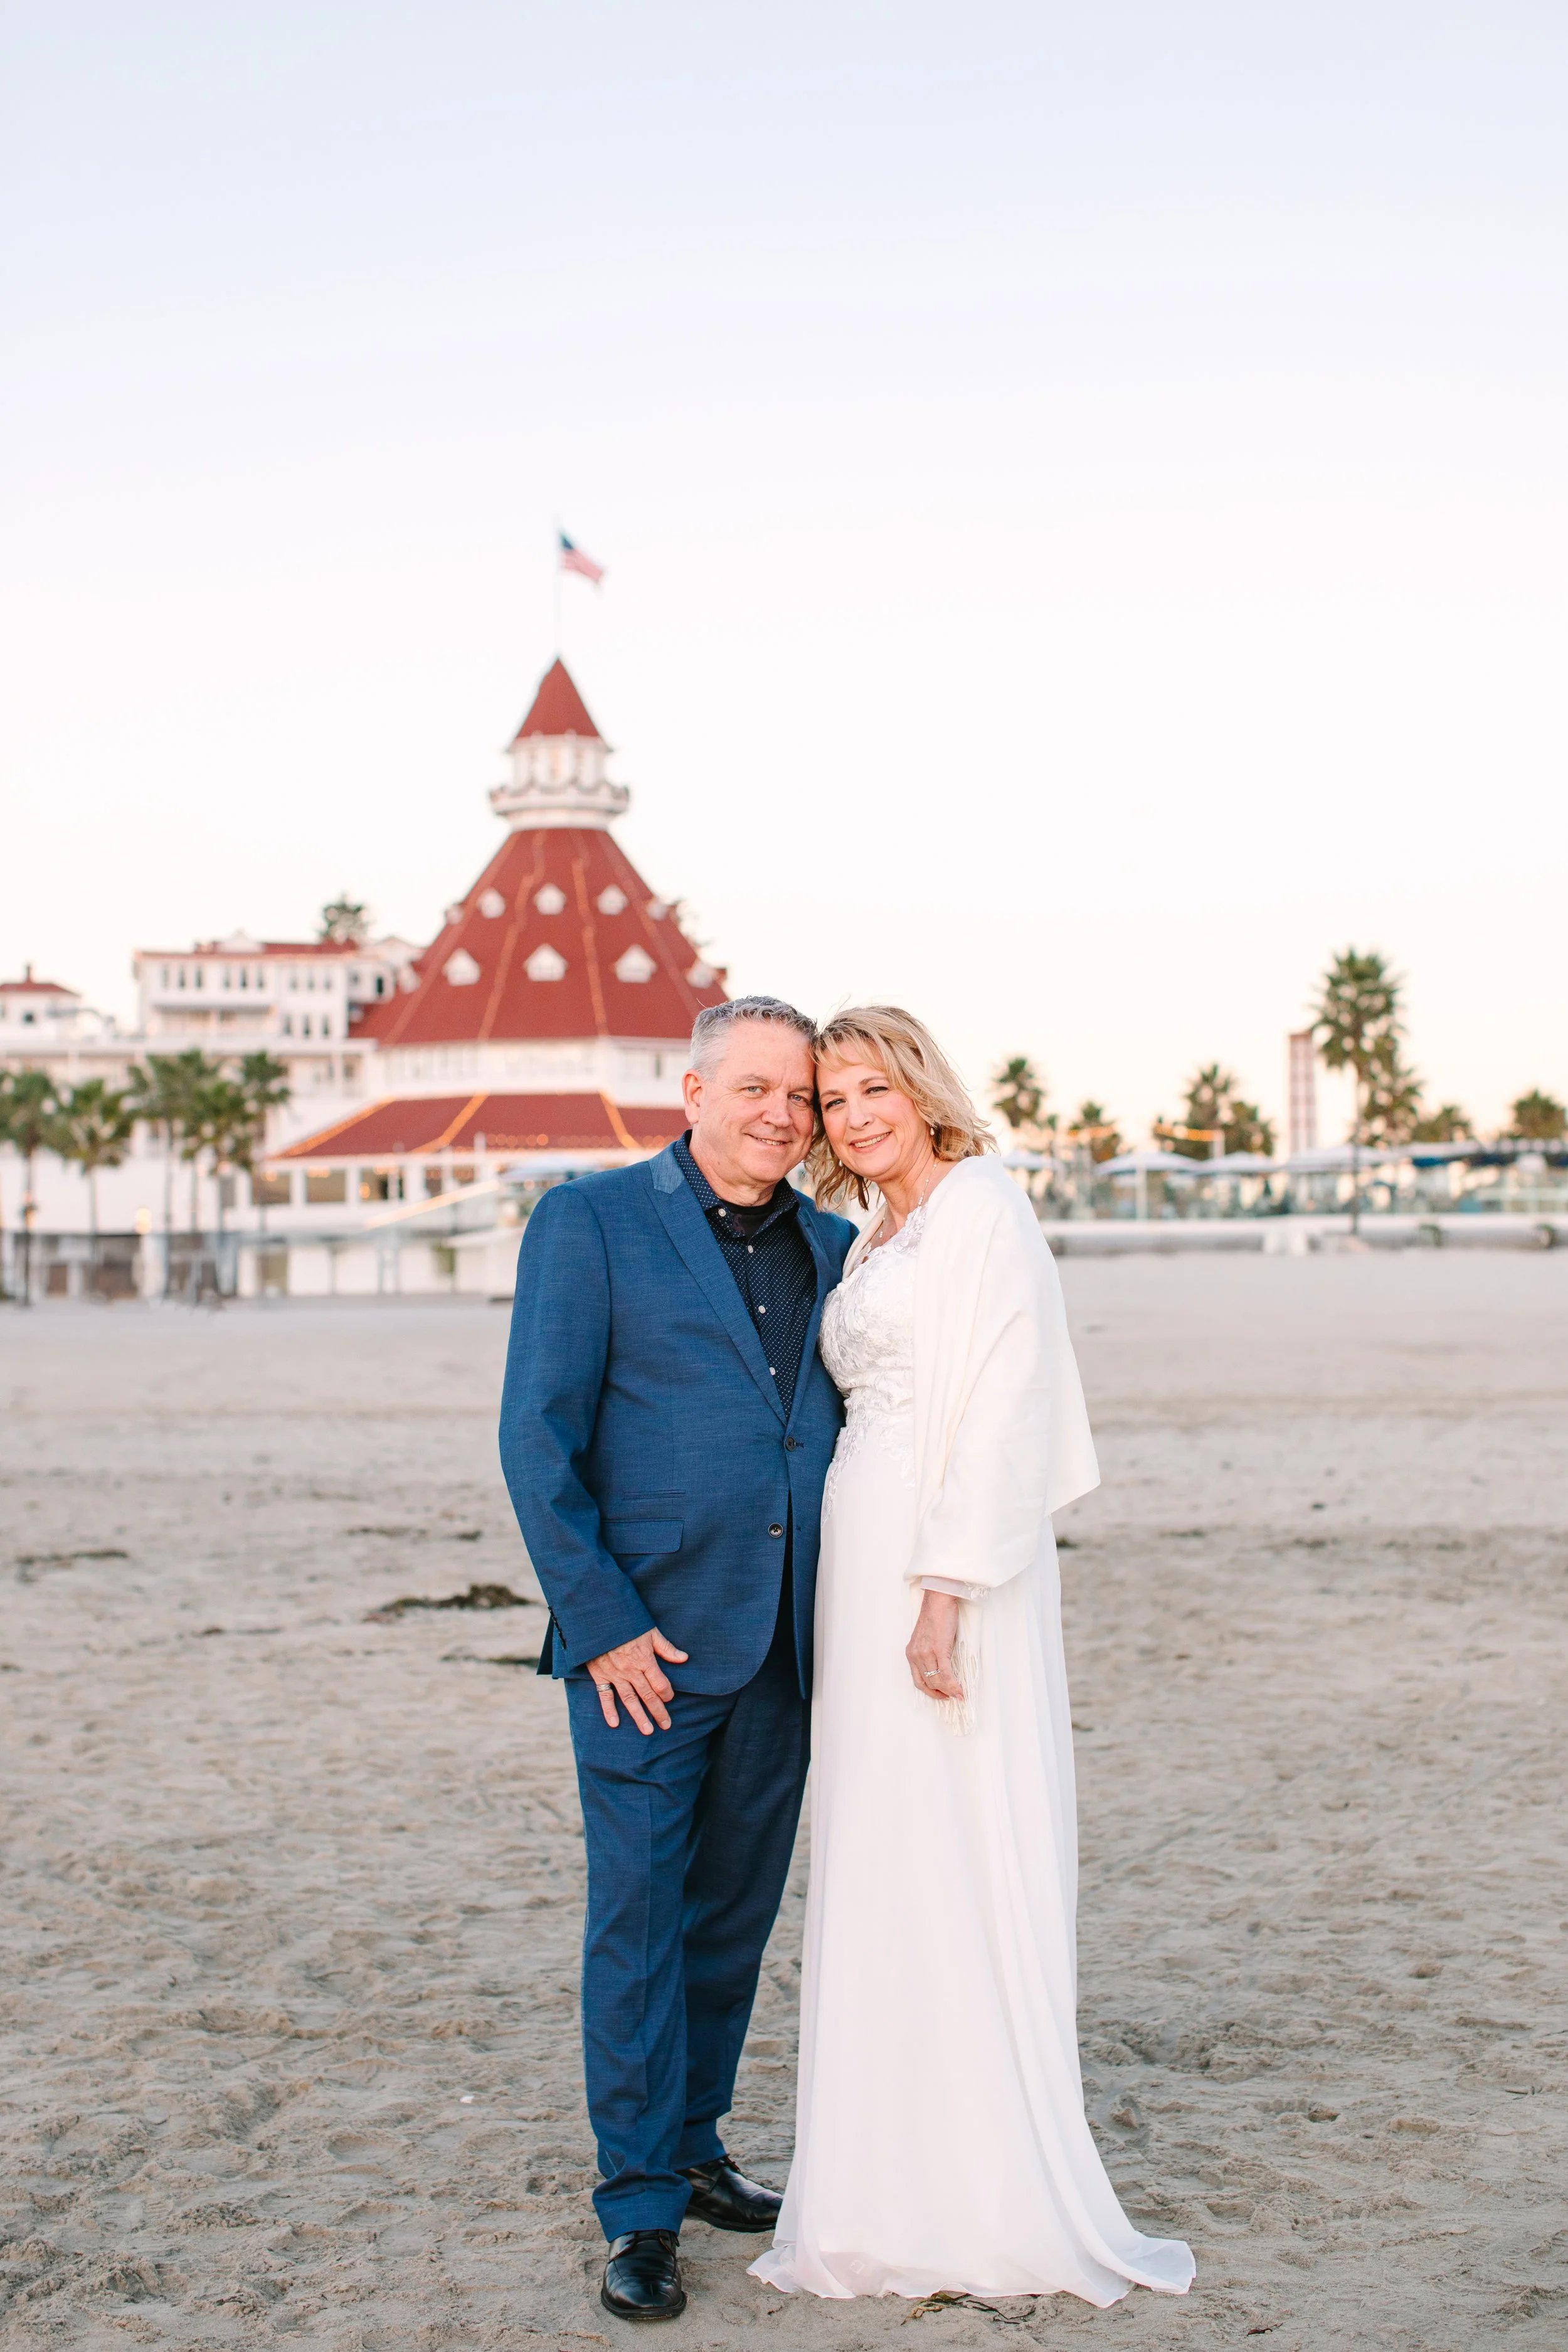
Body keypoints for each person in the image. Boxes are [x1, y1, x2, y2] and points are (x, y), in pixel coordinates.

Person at [749, 1006, 1195, 2309]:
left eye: (873, 1089)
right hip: (856, 1549)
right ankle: (880, 2184)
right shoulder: (873, 1235)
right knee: (882, 1856)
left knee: (955, 1840)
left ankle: (980, 2189)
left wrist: (943, 1590)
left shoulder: (982, 1204)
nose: (854, 1118)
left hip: (944, 1565)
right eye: (833, 1103)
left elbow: (1007, 1404)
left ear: (922, 1088)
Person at [499, 997, 856, 2323]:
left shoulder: (835, 1240)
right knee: (639, 1923)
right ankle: (638, 2206)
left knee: (729, 1920)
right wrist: (597, 1622)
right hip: (639, 1647)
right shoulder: (586, 1223)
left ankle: (699, 2145)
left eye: (802, 1098)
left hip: (786, 1640)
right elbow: (537, 1438)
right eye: (755, 1088)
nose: (781, 1115)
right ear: (693, 1091)